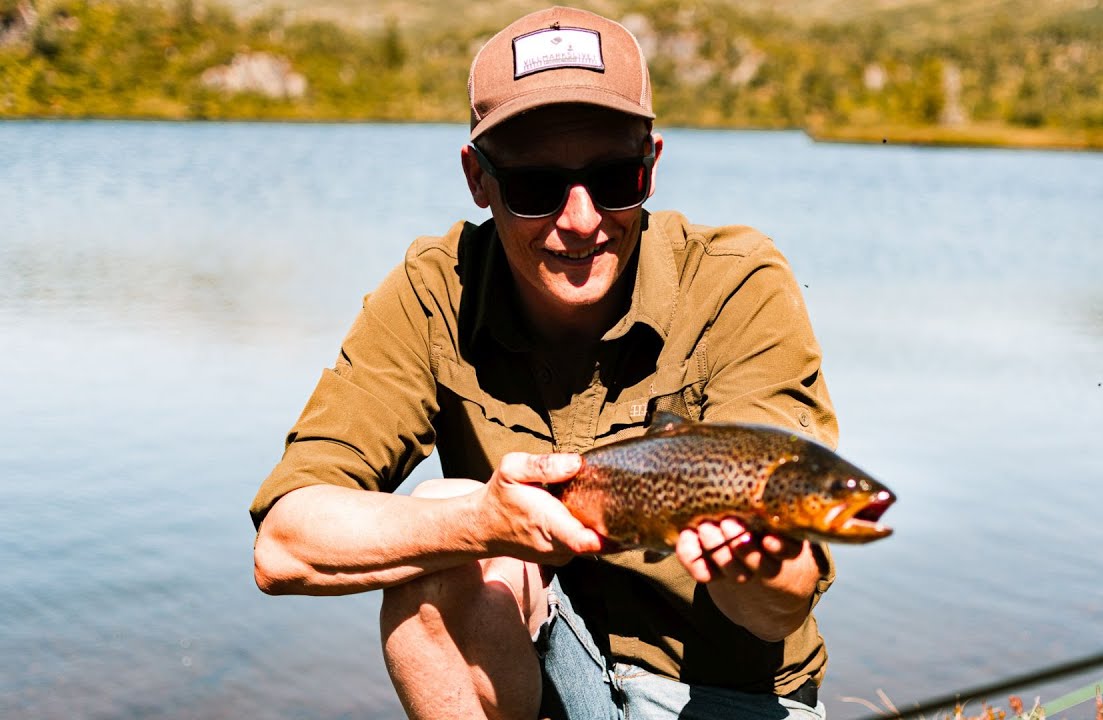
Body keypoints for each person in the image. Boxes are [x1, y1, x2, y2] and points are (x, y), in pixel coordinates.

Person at [250, 6, 840, 719]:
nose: (581, 219)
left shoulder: (736, 283)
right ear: (478, 179)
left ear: (652, 165)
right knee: (441, 525)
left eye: (615, 178)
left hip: (724, 694)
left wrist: (752, 565)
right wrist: (480, 522)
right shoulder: (435, 291)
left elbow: (780, 609)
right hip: (549, 673)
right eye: (535, 186)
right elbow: (283, 545)